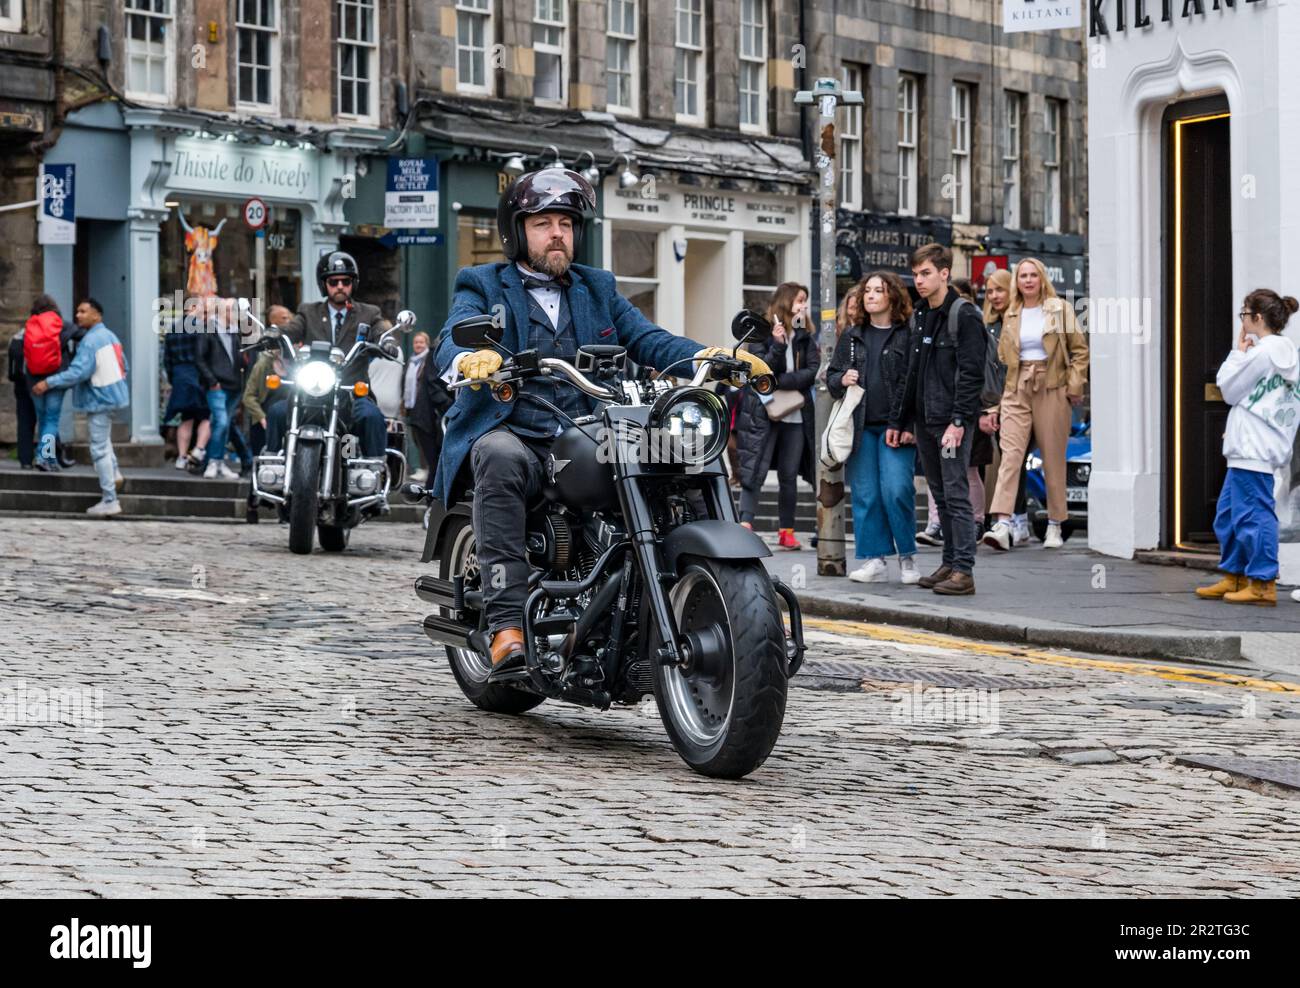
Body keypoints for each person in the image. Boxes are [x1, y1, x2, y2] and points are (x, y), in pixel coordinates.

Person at [432, 166, 769, 676]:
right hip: (517, 430)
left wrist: (713, 356)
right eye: (543, 222)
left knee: (680, 453)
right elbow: (455, 330)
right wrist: (469, 358)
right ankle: (505, 625)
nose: (557, 233)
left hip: (588, 428)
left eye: (566, 223)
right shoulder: (483, 282)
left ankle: (739, 602)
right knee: (497, 457)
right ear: (517, 230)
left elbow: (648, 338)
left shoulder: (597, 286)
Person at [888, 243, 987, 596]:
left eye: (926, 273)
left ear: (944, 273)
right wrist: (899, 422)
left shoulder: (964, 314)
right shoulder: (920, 314)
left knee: (956, 493)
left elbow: (971, 373)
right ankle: (950, 561)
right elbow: (911, 373)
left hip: (951, 421)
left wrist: (959, 421)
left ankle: (964, 570)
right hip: (926, 420)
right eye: (915, 274)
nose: (919, 280)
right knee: (941, 494)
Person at [1195, 290, 1300, 606]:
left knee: (1253, 515)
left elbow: (1227, 388)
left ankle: (1262, 581)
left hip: (1253, 445)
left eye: (1244, 314)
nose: (1241, 320)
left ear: (1257, 318)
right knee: (1228, 514)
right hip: (1254, 445)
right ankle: (1236, 574)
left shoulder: (1261, 353)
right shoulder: (1282, 353)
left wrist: (1236, 352)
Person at [982, 257, 1089, 551]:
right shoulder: (1012, 314)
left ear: (1042, 279)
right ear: (1017, 281)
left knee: (1053, 458)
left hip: (1051, 384)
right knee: (1010, 455)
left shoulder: (1060, 309)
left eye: (1033, 275)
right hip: (1017, 387)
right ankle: (1002, 522)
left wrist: (1074, 385)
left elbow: (1079, 351)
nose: (1028, 280)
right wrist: (995, 404)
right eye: (1023, 276)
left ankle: (1055, 523)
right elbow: (1001, 362)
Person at [827, 272, 920, 584]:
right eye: (867, 290)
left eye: (878, 290)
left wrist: (908, 423)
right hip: (861, 426)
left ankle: (907, 556)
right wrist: (842, 379)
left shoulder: (907, 334)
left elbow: (915, 382)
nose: (870, 295)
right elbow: (831, 377)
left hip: (896, 427)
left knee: (897, 490)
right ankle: (876, 559)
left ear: (892, 296)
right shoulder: (853, 336)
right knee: (866, 495)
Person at [269, 251, 391, 458]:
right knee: (277, 412)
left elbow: (380, 329)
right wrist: (272, 334)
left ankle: (373, 468)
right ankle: (271, 466)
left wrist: (387, 341)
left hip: (351, 393)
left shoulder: (368, 313)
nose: (340, 286)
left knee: (371, 416)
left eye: (346, 281)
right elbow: (291, 329)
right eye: (334, 281)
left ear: (354, 283)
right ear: (324, 284)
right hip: (311, 393)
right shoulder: (309, 312)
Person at [735, 282, 819, 548]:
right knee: (755, 468)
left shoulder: (806, 336)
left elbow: (812, 371)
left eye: (805, 301)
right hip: (764, 413)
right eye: (799, 300)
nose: (803, 306)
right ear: (786, 303)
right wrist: (780, 345)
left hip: (795, 415)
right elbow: (760, 369)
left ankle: (787, 530)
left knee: (789, 473)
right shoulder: (761, 333)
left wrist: (781, 381)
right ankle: (745, 523)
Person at [31, 298, 128, 516]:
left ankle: (44, 456)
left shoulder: (88, 339)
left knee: (47, 421)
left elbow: (79, 371)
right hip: (95, 390)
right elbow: (124, 365)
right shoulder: (104, 335)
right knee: (52, 422)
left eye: (83, 312)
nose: (78, 315)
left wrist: (47, 382)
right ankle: (47, 458)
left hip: (49, 382)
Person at [978, 270, 1031, 543]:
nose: (994, 296)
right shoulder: (987, 325)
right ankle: (1014, 519)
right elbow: (987, 368)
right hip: (996, 400)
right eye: (990, 291)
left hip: (1021, 397)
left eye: (1000, 290)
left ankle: (1015, 518)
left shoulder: (1022, 321)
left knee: (1014, 458)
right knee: (1011, 458)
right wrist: (989, 405)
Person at [194, 298, 249, 479]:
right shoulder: (208, 329)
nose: (232, 312)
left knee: (223, 425)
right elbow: (200, 358)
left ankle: (216, 462)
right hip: (217, 385)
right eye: (228, 309)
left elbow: (241, 359)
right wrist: (212, 381)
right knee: (222, 422)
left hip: (234, 385)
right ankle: (213, 461)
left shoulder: (235, 332)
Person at [22, 295, 73, 471]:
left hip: (33, 379)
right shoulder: (61, 324)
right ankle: (43, 457)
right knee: (51, 419)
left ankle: (50, 459)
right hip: (56, 379)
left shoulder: (30, 325)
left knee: (43, 419)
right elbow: (80, 333)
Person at [163, 296, 212, 469]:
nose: (204, 313)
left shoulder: (173, 329)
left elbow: (166, 360)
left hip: (179, 376)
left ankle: (182, 457)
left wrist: (173, 378)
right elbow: (205, 357)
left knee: (187, 418)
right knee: (206, 415)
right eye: (202, 309)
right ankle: (198, 450)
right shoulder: (200, 328)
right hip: (197, 376)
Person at [7, 320, 37, 468]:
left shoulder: (17, 337)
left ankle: (25, 460)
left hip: (21, 383)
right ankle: (47, 457)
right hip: (41, 382)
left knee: (24, 421)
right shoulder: (45, 334)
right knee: (48, 421)